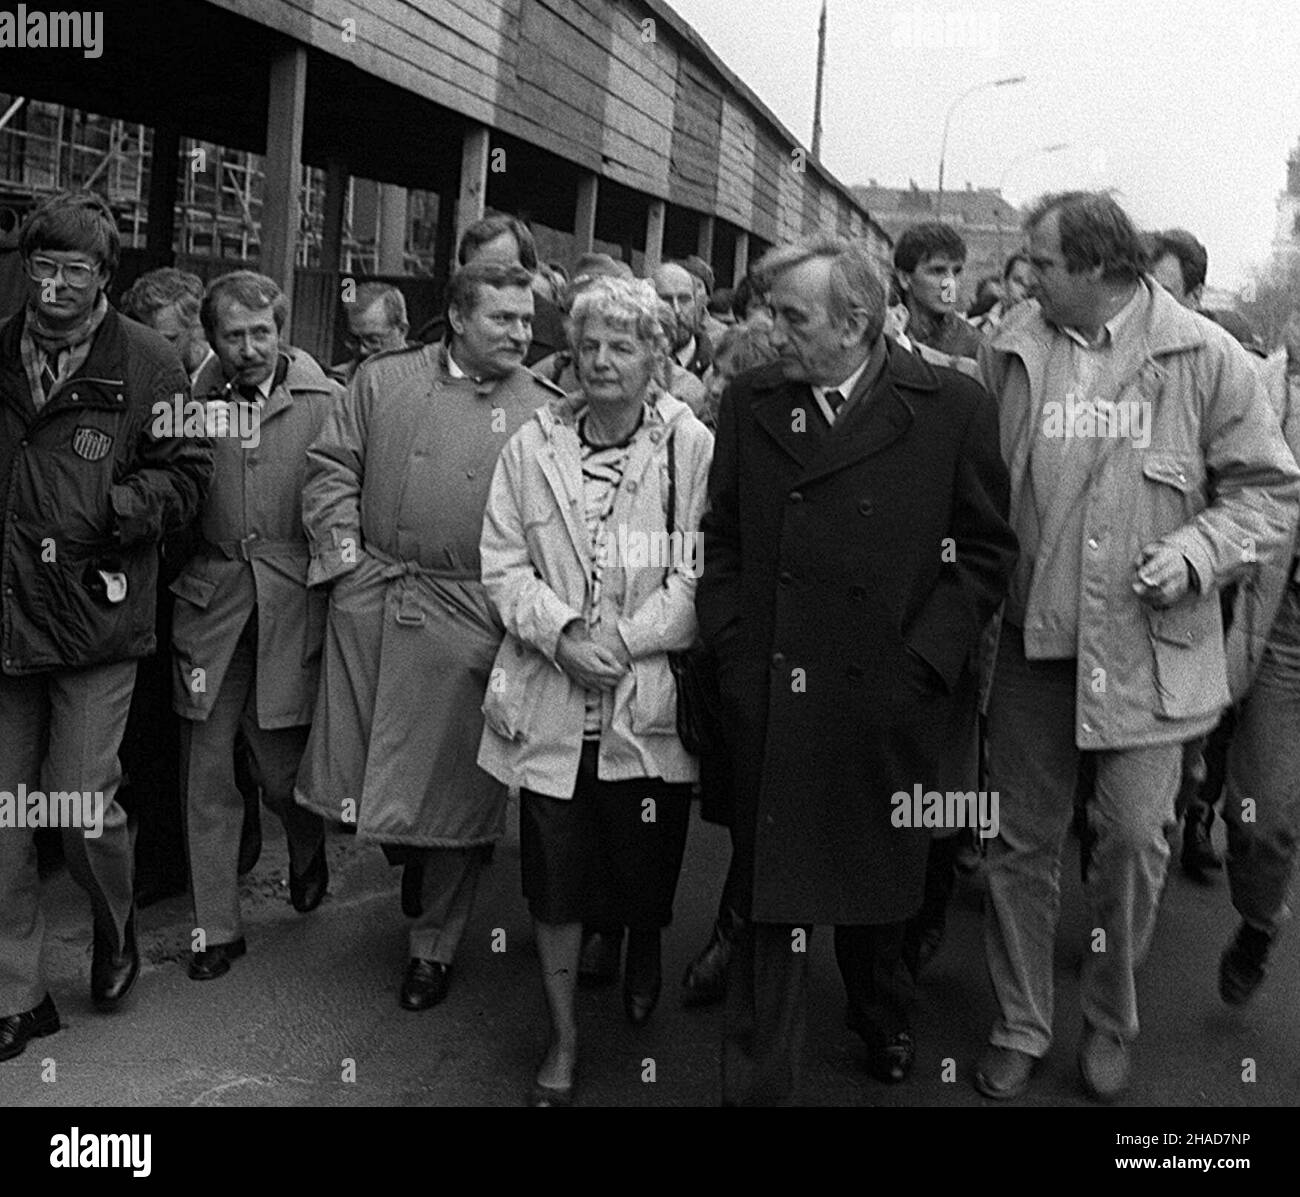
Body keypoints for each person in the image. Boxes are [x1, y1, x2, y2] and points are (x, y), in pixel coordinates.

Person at [973, 191, 1300, 1103]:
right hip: (1031, 644)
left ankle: (1110, 1019)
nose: (1025, 273)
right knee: (1018, 842)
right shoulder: (1006, 346)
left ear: (1101, 270)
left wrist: (1199, 551)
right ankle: (1019, 1020)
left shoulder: (1208, 357)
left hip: (1153, 655)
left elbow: (1269, 496)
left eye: (1042, 260)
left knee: (1126, 839)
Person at [698, 235, 1017, 1104]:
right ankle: (757, 1086)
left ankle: (881, 1014)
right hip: (774, 686)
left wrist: (923, 664)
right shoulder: (752, 398)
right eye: (769, 312)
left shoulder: (951, 405)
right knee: (773, 903)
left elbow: (985, 554)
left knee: (880, 893)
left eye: (791, 316)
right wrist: (731, 650)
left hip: (889, 697)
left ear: (857, 324)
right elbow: (720, 537)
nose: (771, 330)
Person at [296, 261, 562, 1011]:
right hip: (376, 603)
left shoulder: (544, 409)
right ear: (456, 316)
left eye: (526, 319)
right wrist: (346, 568)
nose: (522, 332)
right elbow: (329, 468)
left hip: (472, 619)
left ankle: (433, 948)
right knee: (366, 776)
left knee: (455, 791)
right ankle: (407, 848)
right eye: (503, 319)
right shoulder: (381, 381)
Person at [478, 275, 713, 1106]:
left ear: (656, 354)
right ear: (569, 354)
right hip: (551, 695)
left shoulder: (689, 446)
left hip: (643, 697)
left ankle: (644, 937)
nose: (604, 361)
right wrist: (563, 635)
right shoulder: (531, 444)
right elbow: (502, 563)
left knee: (643, 860)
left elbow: (698, 572)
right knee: (554, 871)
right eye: (589, 346)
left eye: (624, 345)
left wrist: (622, 639)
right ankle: (564, 1035)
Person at [0, 191, 212, 1059]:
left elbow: (190, 476)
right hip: (9, 614)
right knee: (7, 817)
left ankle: (114, 922)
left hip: (95, 610)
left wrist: (115, 506)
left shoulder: (151, 361)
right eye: (40, 266)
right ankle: (20, 992)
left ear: (103, 278)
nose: (52, 286)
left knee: (83, 802)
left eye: (72, 271)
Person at [172, 271, 338, 980]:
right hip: (211, 605)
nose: (249, 349)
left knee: (278, 771)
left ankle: (306, 842)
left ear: (281, 329)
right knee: (205, 771)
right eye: (233, 336)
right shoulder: (188, 403)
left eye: (260, 332)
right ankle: (218, 927)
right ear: (212, 339)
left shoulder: (325, 401)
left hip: (288, 600)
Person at [416, 214, 565, 365]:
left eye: (501, 270)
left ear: (529, 271)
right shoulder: (437, 334)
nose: (490, 279)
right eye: (477, 272)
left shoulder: (555, 334)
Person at [893, 221, 985, 365]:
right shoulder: (880, 332)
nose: (949, 283)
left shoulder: (977, 347)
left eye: (956, 272)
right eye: (937, 271)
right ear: (905, 278)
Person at [331, 282, 413, 385]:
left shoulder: (425, 382)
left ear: (402, 331)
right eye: (354, 340)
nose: (362, 350)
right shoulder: (334, 381)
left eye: (372, 340)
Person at [653, 260, 712, 379]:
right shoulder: (633, 364)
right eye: (665, 299)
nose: (677, 310)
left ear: (697, 303)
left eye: (684, 299)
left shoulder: (714, 368)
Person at [971, 252, 1034, 334]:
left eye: (1032, 285)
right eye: (1018, 281)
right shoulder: (981, 315)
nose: (1024, 291)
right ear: (1004, 281)